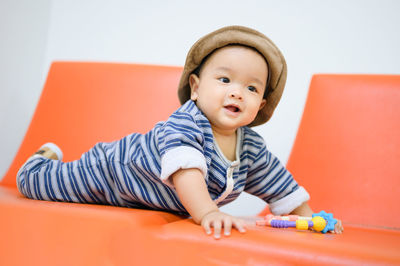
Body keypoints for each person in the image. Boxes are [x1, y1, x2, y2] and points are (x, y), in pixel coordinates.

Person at [17, 25, 343, 239]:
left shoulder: (251, 149)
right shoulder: (186, 124)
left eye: (251, 87)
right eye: (225, 80)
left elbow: (281, 187)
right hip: (110, 172)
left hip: (140, 200)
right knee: (41, 184)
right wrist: (208, 213)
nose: (237, 93)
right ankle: (42, 160)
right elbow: (187, 172)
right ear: (196, 88)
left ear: (261, 105)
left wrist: (311, 221)